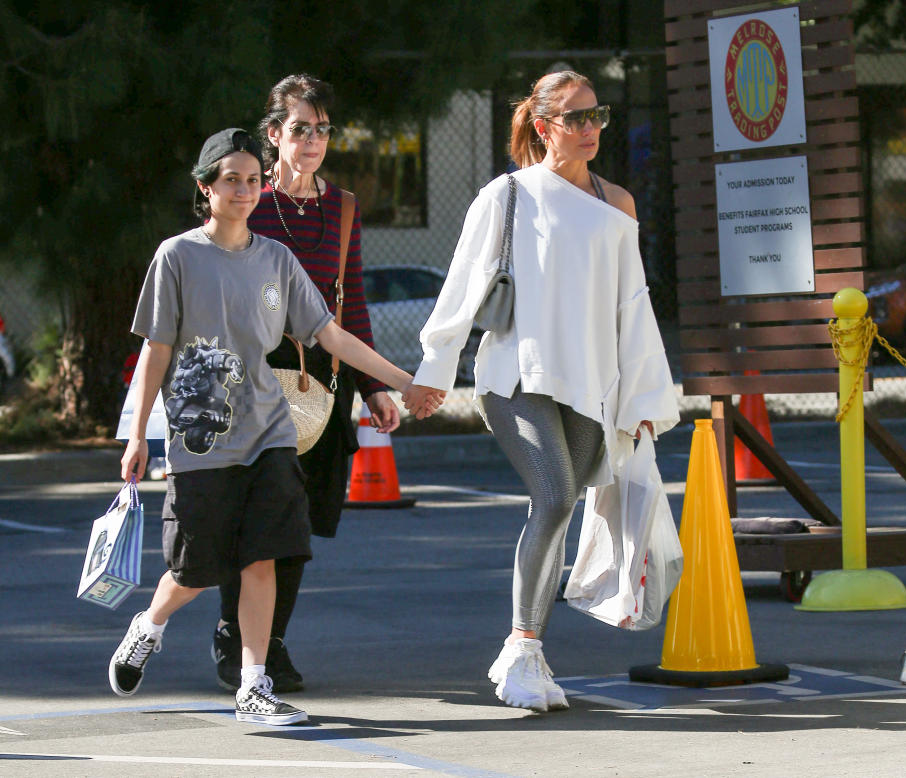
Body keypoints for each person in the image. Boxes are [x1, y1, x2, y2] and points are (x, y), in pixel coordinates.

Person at [110, 128, 425, 725]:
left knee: (264, 556)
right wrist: (137, 434)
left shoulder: (277, 259)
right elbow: (156, 349)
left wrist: (402, 382)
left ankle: (254, 684)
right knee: (197, 568)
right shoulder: (176, 256)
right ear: (206, 188)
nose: (245, 190)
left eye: (254, 180)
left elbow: (329, 334)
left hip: (270, 433)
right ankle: (148, 626)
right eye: (232, 179)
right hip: (201, 436)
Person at [402, 71, 680, 712]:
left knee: (565, 498)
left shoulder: (618, 204)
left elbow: (632, 308)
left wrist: (642, 400)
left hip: (593, 385)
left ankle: (522, 651)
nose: (590, 130)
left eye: (597, 116)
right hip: (516, 378)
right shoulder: (506, 195)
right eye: (576, 118)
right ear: (542, 125)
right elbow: (462, 285)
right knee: (555, 498)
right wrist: (433, 372)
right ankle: (523, 649)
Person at [209, 74, 404, 694]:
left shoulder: (342, 207)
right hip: (254, 374)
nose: (314, 140)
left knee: (300, 520)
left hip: (324, 382)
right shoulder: (250, 203)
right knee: (255, 513)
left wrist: (375, 385)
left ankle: (271, 638)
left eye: (322, 129)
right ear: (274, 136)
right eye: (300, 129)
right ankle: (236, 636)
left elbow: (354, 303)